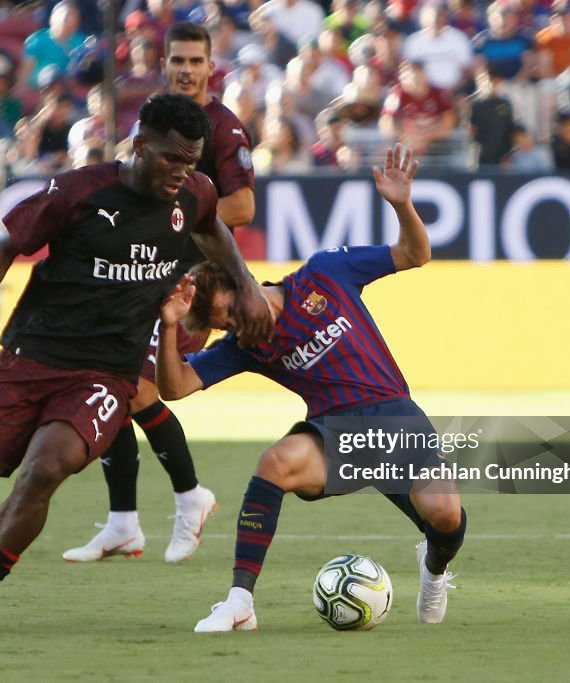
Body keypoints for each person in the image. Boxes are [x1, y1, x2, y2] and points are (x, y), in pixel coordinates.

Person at [0, 93, 273, 634]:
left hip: (105, 374)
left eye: (191, 161)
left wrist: (247, 284)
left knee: (45, 468)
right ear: (140, 144)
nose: (182, 173)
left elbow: (212, 229)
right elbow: (4, 246)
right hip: (30, 357)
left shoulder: (195, 193)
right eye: (172, 158)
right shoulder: (77, 192)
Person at [156, 144, 467, 632]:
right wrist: (170, 326)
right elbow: (175, 388)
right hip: (333, 433)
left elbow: (414, 254)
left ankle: (434, 568)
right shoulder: (246, 346)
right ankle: (240, 602)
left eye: (233, 311)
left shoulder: (325, 272)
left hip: (393, 416)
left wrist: (401, 204)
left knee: (445, 514)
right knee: (275, 463)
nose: (235, 326)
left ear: (245, 283)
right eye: (224, 324)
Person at [62, 21, 258, 565]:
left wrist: (180, 211)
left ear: (211, 66)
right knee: (111, 383)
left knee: (135, 391)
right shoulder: (156, 119)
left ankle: (190, 495)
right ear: (165, 62)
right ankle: (123, 522)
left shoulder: (223, 126)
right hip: (140, 273)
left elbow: (241, 208)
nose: (187, 69)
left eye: (196, 61)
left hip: (185, 280)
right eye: (178, 60)